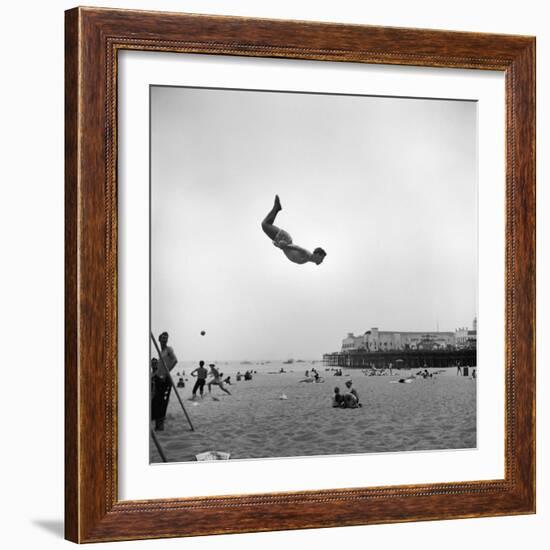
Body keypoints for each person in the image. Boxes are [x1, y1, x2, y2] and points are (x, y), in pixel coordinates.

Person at [261, 195, 327, 265]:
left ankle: (277, 208)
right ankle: (276, 208)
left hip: (283, 240)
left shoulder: (306, 259)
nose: (322, 261)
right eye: (322, 258)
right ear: (317, 255)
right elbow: (298, 248)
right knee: (265, 225)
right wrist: (285, 245)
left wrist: (280, 246)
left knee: (266, 225)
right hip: (284, 239)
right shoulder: (307, 255)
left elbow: (292, 252)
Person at [150, 332, 178, 431]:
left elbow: (175, 360)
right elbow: (160, 367)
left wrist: (165, 373)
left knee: (162, 402)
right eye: (163, 337)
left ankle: (160, 425)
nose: (165, 339)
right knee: (156, 401)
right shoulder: (160, 352)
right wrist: (155, 375)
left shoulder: (168, 349)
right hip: (159, 378)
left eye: (166, 337)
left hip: (165, 379)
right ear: (159, 339)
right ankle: (157, 424)